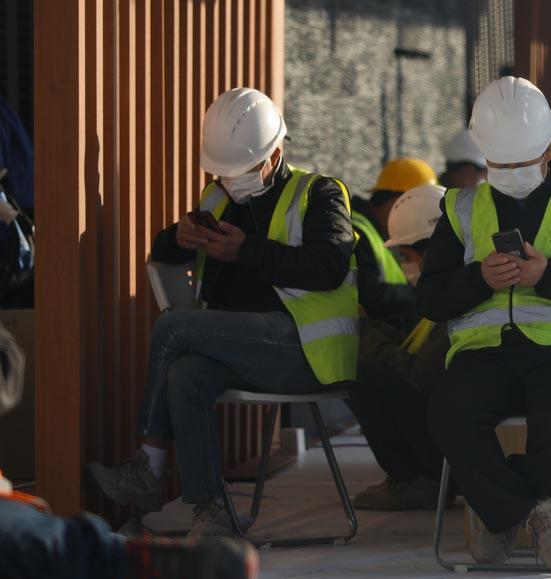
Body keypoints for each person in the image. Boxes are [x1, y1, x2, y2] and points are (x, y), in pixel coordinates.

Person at [86, 87, 359, 539]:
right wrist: (179, 238)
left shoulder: (320, 193)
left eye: (244, 169)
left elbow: (328, 266)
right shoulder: (217, 199)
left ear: (274, 155)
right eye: (222, 172)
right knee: (186, 373)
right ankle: (209, 512)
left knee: (173, 326)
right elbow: (164, 252)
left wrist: (245, 251)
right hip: (246, 350)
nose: (232, 181)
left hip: (304, 350)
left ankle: (150, 465)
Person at [418, 77, 551, 572]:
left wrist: (548, 273)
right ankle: (534, 513)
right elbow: (431, 296)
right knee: (446, 413)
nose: (510, 174)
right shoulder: (460, 206)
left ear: (549, 148)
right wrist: (478, 279)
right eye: (500, 166)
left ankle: (500, 518)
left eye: (520, 164)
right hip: (483, 354)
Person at [0, 309, 258, 578]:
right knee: (183, 366)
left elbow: (7, 363)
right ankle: (125, 552)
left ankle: (125, 548)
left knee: (175, 337)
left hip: (294, 337)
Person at [346, 183, 454, 511]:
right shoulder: (447, 292)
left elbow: (416, 373)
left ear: (430, 251)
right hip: (446, 433)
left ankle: (416, 479)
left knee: (362, 373)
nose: (406, 266)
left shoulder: (456, 302)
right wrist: (366, 326)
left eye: (406, 257)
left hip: (448, 444)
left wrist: (364, 331)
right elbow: (412, 348)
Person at [351, 157, 436, 330]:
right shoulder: (357, 231)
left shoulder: (380, 233)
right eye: (416, 208)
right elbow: (370, 295)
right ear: (397, 201)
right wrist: (417, 294)